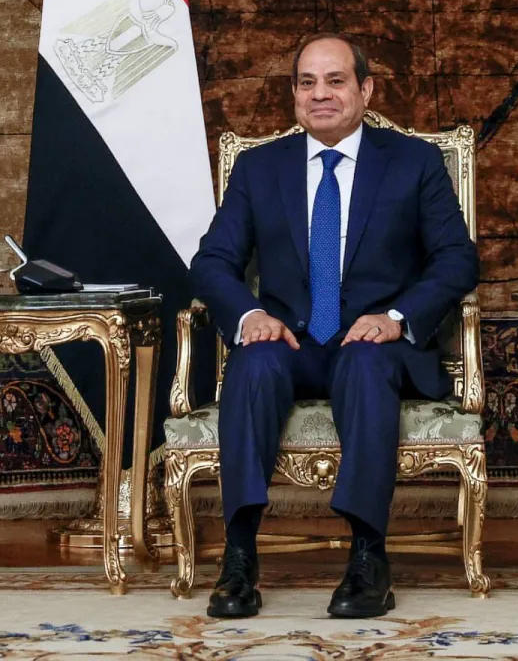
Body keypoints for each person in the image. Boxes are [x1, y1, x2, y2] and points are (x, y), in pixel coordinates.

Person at [189, 33, 479, 619]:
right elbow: (212, 261)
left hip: (373, 343)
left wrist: (397, 319)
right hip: (290, 340)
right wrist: (250, 316)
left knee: (368, 362)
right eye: (306, 82)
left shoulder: (412, 162)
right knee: (253, 359)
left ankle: (368, 555)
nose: (319, 94)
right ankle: (240, 558)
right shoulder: (258, 168)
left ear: (365, 89)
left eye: (335, 80)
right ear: (295, 94)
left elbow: (457, 258)